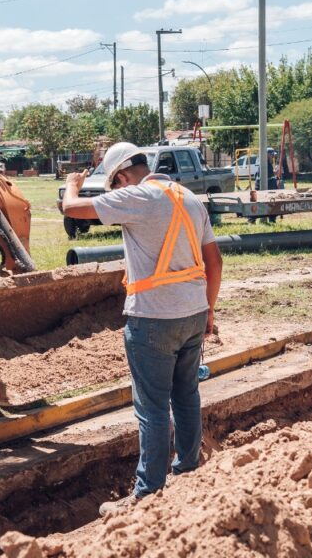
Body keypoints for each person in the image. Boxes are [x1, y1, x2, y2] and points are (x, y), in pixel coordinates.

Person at [61, 142, 223, 515]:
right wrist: (209, 311)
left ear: (121, 177)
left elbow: (72, 209)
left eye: (114, 185)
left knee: (152, 407)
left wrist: (72, 184)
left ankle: (148, 493)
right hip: (194, 314)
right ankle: (188, 471)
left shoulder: (138, 196)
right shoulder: (189, 198)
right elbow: (214, 261)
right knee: (186, 395)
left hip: (152, 320)